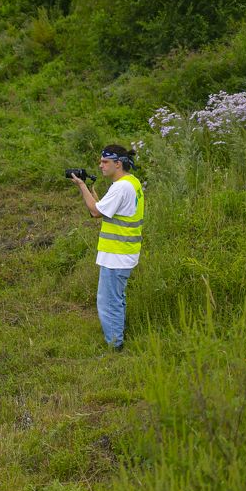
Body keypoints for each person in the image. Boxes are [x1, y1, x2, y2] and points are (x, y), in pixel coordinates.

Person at [71, 145, 144, 351]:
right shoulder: (132, 182)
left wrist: (82, 186)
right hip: (124, 253)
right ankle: (117, 337)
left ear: (118, 163)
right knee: (116, 299)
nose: (100, 165)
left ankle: (115, 346)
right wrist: (95, 194)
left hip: (117, 255)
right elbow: (106, 210)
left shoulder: (121, 187)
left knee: (108, 302)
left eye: (105, 162)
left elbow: (95, 212)